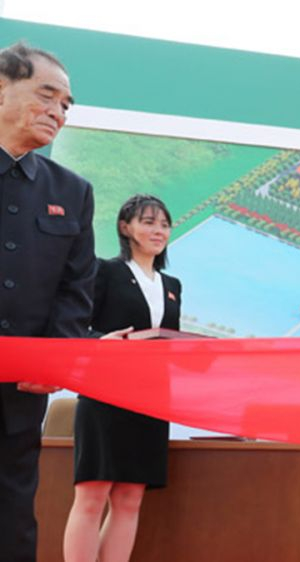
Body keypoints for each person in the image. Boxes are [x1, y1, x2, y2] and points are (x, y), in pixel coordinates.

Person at [0, 42, 96, 562]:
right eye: (46, 95)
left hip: (19, 393)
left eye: (65, 104)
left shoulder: (72, 192)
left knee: (13, 513)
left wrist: (56, 358)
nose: (58, 111)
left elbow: (75, 289)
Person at [63, 194, 181, 562]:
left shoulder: (172, 285)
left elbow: (170, 341)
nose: (158, 230)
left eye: (164, 224)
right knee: (92, 494)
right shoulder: (104, 272)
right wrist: (102, 341)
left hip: (151, 400)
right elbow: (74, 328)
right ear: (125, 227)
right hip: (105, 395)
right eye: (148, 222)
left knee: (130, 498)